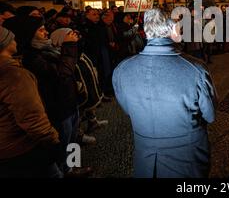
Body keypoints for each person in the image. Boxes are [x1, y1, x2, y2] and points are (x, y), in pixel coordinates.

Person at [113, 9, 217, 178]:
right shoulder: (195, 69)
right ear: (170, 28)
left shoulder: (121, 69)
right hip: (187, 157)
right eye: (177, 23)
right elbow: (210, 115)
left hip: (145, 157)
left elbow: (128, 109)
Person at [19, 16, 92, 177]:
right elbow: (62, 73)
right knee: (62, 144)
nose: (46, 32)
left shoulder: (49, 48)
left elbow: (71, 62)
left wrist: (74, 43)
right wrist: (69, 46)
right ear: (29, 34)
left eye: (45, 28)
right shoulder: (33, 58)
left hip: (69, 103)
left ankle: (73, 167)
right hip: (58, 108)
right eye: (40, 30)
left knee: (72, 141)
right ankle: (63, 170)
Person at [0, 27, 63, 178]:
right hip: (21, 147)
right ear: (4, 43)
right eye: (11, 38)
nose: (15, 40)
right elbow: (31, 117)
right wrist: (53, 141)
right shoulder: (13, 75)